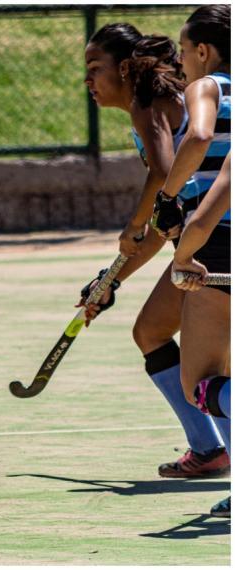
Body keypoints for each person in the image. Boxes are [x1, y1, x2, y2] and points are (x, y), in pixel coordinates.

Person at [80, 23, 228, 478]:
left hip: (213, 241)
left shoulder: (148, 106)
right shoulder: (163, 103)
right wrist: (112, 280)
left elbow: (164, 173)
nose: (88, 80)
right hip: (200, 239)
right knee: (150, 333)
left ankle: (215, 450)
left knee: (203, 377)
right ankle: (208, 449)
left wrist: (136, 221)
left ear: (125, 69)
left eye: (95, 68)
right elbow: (169, 229)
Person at [154, 4, 230, 518]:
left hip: (218, 237)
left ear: (203, 50)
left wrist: (168, 195)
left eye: (183, 50)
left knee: (200, 382)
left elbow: (200, 136)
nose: (180, 62)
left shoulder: (210, 87)